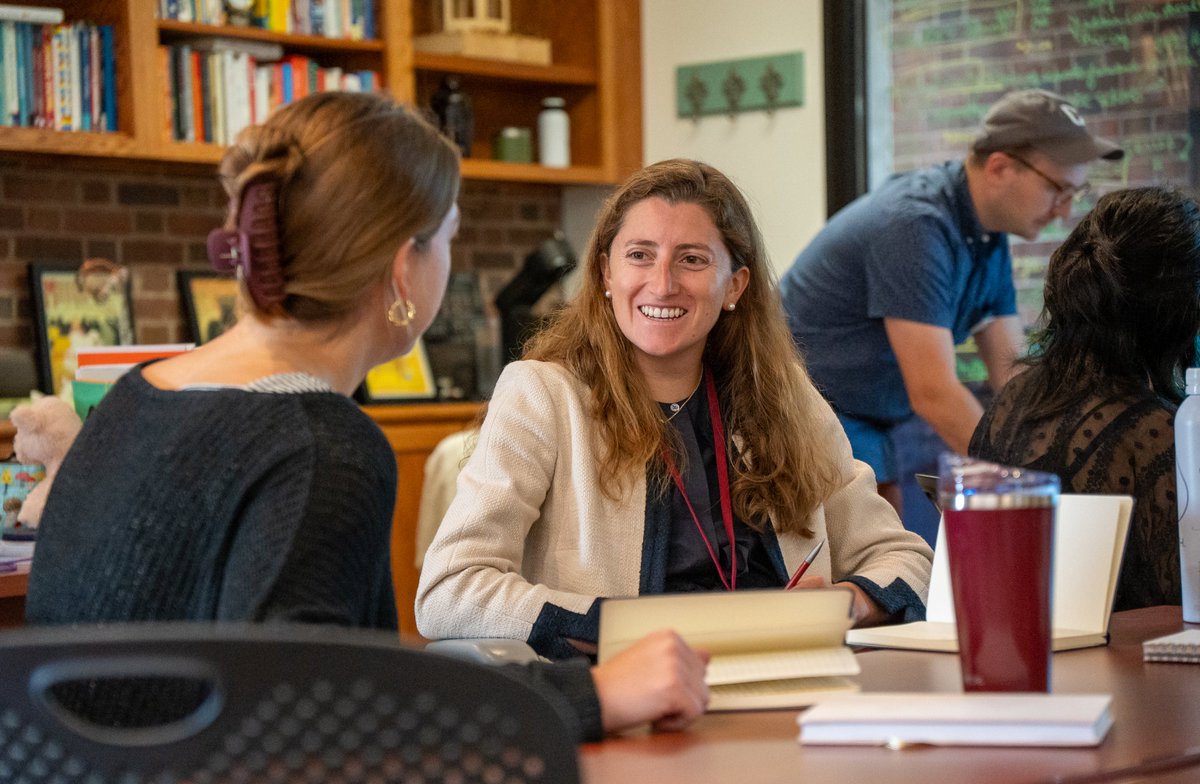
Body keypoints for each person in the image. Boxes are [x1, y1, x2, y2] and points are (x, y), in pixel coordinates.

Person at [23, 92, 709, 740]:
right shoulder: (320, 448)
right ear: (400, 268)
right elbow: (323, 730)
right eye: (447, 238)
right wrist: (599, 694)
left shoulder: (134, 396)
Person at [416, 158, 934, 660]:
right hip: (626, 692)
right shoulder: (543, 395)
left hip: (786, 677)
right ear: (605, 273)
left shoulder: (785, 398)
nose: (662, 283)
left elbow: (908, 560)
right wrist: (610, 627)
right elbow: (451, 589)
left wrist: (846, 603)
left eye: (692, 259)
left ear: (735, 285)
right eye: (640, 255)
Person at [779, 89, 1124, 512]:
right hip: (804, 409)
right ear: (999, 167)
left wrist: (1071, 453)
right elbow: (934, 393)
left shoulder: (986, 234)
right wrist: (1034, 486)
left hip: (873, 411)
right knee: (882, 556)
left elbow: (1015, 376)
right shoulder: (916, 228)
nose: (1065, 212)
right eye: (1058, 190)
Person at [970, 186, 1200, 611]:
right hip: (1128, 671)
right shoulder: (1156, 431)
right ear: (1181, 311)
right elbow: (1185, 600)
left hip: (1021, 662)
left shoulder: (1009, 406)